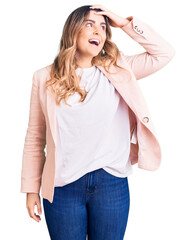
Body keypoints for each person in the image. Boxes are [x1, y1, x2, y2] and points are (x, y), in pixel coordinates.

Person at [20, 4, 175, 240]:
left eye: (103, 27)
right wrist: (31, 188)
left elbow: (164, 53)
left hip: (110, 182)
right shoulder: (44, 78)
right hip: (62, 187)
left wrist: (124, 23)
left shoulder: (119, 69)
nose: (98, 32)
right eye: (90, 25)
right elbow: (35, 137)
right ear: (72, 31)